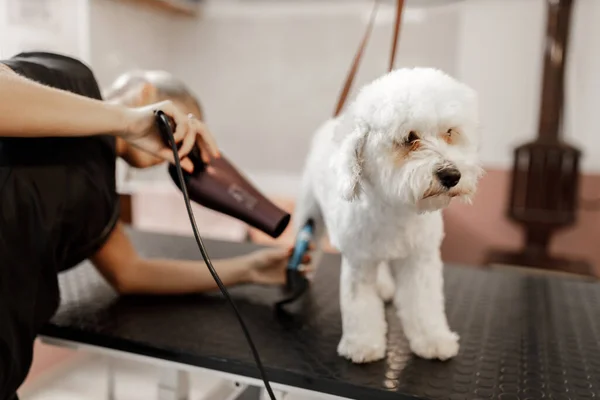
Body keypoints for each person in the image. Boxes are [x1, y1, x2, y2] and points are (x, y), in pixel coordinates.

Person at [0, 52, 309, 400]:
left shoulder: (101, 201)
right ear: (146, 94)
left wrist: (249, 269)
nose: (178, 145)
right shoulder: (74, 80)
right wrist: (128, 121)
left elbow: (131, 273)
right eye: (178, 123)